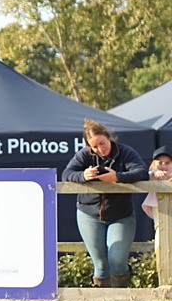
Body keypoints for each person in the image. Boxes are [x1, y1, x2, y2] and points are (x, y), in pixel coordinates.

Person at [63, 119, 148, 287]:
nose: (100, 149)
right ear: (88, 146)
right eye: (94, 146)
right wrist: (83, 176)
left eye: (102, 143)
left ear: (109, 137)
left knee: (117, 261)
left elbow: (142, 172)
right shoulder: (84, 155)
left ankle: (121, 297)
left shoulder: (125, 152)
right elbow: (67, 174)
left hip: (121, 215)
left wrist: (117, 177)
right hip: (89, 214)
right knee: (101, 265)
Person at [142, 146, 172, 221]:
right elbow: (149, 174)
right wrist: (155, 173)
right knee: (160, 229)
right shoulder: (153, 174)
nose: (163, 166)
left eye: (167, 163)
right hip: (158, 207)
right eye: (160, 163)